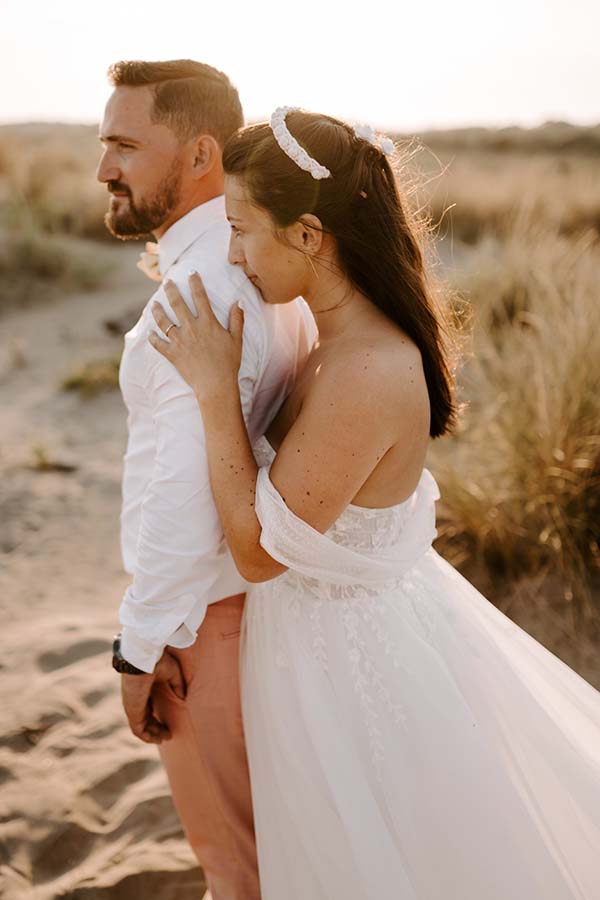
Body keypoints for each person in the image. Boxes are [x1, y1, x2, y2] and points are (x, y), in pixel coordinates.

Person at [150, 107, 600, 899]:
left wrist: (216, 391)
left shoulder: (365, 369)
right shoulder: (325, 332)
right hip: (312, 651)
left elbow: (259, 551)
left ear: (309, 236)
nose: (232, 252)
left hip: (357, 673)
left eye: (242, 229)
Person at [97, 65, 315, 900]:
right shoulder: (258, 268)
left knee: (239, 868)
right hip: (248, 613)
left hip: (204, 628)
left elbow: (181, 492)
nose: (103, 168)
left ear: (199, 154)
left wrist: (140, 645)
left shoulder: (200, 292)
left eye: (123, 144)